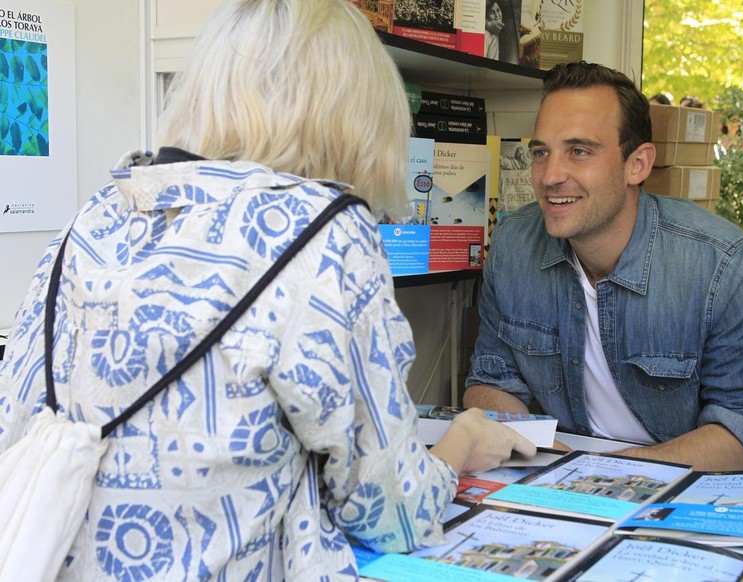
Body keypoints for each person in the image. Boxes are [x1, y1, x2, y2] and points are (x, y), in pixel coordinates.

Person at [0, 1, 535, 579]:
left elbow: (16, 424)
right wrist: (459, 448)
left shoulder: (96, 216)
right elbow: (393, 510)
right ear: (352, 114)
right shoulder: (322, 230)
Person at [464, 61, 743, 472]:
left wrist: (610, 471)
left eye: (579, 151)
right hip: (554, 479)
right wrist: (539, 450)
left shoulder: (720, 262)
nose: (550, 176)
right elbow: (490, 385)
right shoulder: (512, 244)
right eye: (541, 152)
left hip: (678, 488)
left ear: (637, 164)